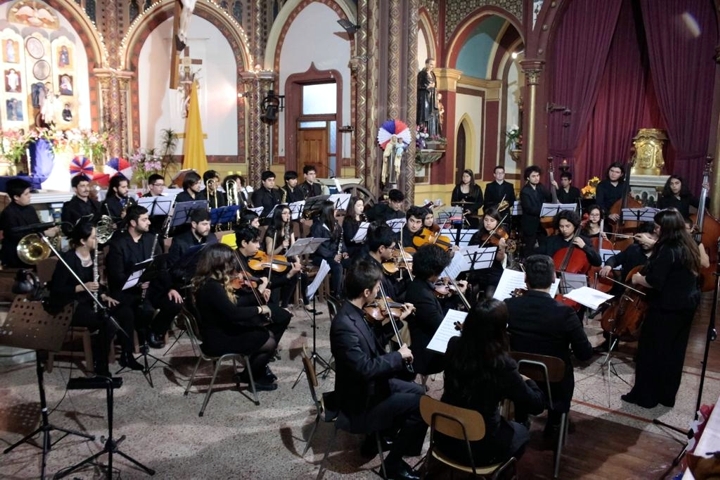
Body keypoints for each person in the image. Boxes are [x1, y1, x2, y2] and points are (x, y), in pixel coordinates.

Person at [330, 259, 425, 480]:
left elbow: (372, 344)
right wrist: (398, 356)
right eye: (376, 288)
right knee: (422, 405)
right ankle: (391, 465)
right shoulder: (345, 326)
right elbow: (364, 368)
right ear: (366, 291)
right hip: (359, 402)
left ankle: (383, 438)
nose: (379, 292)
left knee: (419, 392)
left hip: (368, 387)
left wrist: (399, 321)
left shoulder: (355, 312)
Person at [438, 299, 545, 466]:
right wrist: (528, 379)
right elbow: (537, 404)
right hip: (479, 448)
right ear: (500, 331)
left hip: (444, 435)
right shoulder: (501, 365)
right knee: (522, 431)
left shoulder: (453, 345)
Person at [622, 209, 702, 408]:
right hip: (686, 305)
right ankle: (666, 396)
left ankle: (645, 397)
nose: (656, 229)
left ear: (667, 227)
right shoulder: (687, 243)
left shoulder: (668, 249)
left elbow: (655, 281)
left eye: (658, 226)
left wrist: (638, 278)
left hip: (667, 307)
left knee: (651, 350)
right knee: (674, 352)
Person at [504, 254, 593, 434]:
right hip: (554, 383)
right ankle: (555, 422)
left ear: (525, 279)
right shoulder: (565, 313)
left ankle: (521, 418)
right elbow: (584, 354)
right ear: (554, 278)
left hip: (519, 377)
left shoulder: (509, 305)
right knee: (562, 367)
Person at [48, 217, 139, 374]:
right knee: (108, 321)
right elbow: (57, 289)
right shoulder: (68, 259)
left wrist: (103, 296)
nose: (97, 240)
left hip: (90, 300)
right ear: (83, 241)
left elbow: (96, 284)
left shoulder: (93, 255)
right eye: (94, 237)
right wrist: (81, 287)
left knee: (125, 312)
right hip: (71, 306)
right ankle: (100, 363)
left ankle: (127, 354)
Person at [192, 243, 284, 391]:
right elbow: (233, 313)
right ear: (219, 263)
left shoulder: (211, 283)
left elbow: (233, 305)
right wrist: (260, 309)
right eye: (229, 261)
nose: (232, 265)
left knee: (267, 336)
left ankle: (253, 375)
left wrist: (258, 295)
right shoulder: (212, 287)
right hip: (217, 339)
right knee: (268, 340)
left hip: (218, 331)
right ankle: (251, 379)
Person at [106, 205, 182, 350]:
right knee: (145, 310)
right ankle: (142, 335)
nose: (149, 222)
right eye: (145, 219)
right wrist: (137, 283)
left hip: (152, 288)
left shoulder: (151, 239)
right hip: (128, 291)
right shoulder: (118, 244)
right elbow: (116, 276)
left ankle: (154, 331)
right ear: (133, 223)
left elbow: (161, 268)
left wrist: (170, 288)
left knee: (175, 303)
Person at [405, 244, 467, 376]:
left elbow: (436, 310)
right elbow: (442, 325)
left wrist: (454, 296)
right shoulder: (421, 294)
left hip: (429, 341)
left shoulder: (419, 285)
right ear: (432, 272)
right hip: (428, 353)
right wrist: (455, 298)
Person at [263, 205, 315, 312]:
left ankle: (306, 302)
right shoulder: (272, 231)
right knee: (294, 276)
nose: (288, 216)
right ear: (278, 215)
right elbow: (269, 253)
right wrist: (282, 246)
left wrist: (297, 261)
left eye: (289, 213)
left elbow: (293, 247)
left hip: (287, 259)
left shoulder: (289, 228)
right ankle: (285, 305)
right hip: (275, 261)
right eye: (285, 213)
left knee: (303, 275)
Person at [0, 179, 59, 268]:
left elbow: (37, 226)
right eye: (26, 194)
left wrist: (48, 228)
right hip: (16, 254)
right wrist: (44, 233)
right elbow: (16, 236)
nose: (30, 196)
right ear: (16, 197)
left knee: (57, 258)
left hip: (31, 249)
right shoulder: (8, 213)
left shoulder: (30, 209)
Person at [167, 208, 217, 289]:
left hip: (209, 281)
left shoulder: (212, 238)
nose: (208, 228)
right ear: (194, 224)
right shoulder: (179, 242)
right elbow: (173, 269)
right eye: (204, 224)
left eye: (209, 224)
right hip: (187, 284)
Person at [309, 200, 346, 297]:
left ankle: (347, 291)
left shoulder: (335, 224)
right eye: (335, 209)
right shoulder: (317, 226)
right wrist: (333, 256)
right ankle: (336, 294)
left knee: (352, 262)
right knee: (337, 267)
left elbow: (341, 241)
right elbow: (318, 247)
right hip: (321, 256)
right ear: (329, 211)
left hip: (334, 254)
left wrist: (344, 252)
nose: (337, 211)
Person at [467, 207, 508, 295]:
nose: (488, 223)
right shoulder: (476, 235)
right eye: (486, 220)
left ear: (497, 222)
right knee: (471, 292)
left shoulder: (500, 237)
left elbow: (499, 259)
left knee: (490, 295)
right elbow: (468, 253)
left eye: (492, 220)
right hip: (477, 271)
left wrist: (502, 248)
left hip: (493, 271)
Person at [364, 224, 407, 301]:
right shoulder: (369, 270)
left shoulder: (382, 264)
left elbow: (394, 290)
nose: (394, 251)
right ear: (382, 248)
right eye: (392, 248)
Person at [519, 166, 551, 258]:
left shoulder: (540, 187)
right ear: (528, 178)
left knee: (544, 245)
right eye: (533, 176)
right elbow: (529, 208)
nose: (537, 178)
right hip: (530, 224)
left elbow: (549, 197)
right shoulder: (525, 191)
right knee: (529, 248)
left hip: (541, 224)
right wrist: (544, 211)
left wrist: (554, 187)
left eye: (538, 175)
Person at [416, 58, 437, 135]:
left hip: (431, 97)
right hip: (424, 96)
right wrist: (427, 86)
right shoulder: (422, 74)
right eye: (431, 64)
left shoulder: (433, 74)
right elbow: (418, 85)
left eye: (433, 65)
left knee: (432, 115)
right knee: (424, 114)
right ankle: (422, 132)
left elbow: (435, 86)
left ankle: (431, 134)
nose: (432, 66)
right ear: (426, 64)